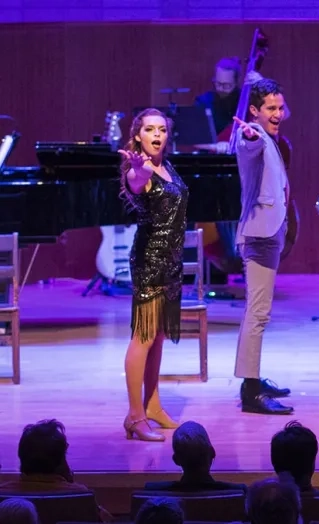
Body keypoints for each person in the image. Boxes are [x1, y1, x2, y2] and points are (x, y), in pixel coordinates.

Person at [118, 108, 189, 442]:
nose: (157, 134)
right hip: (150, 261)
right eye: (149, 129)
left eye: (161, 129)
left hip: (171, 263)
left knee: (157, 336)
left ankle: (153, 405)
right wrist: (138, 170)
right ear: (138, 135)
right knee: (143, 336)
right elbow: (136, 181)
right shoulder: (142, 170)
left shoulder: (167, 166)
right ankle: (135, 416)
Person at [232, 74, 294, 416]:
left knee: (259, 312)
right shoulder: (252, 136)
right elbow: (248, 143)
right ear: (254, 111)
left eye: (280, 107)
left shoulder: (272, 137)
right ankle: (251, 392)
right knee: (257, 313)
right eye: (270, 108)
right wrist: (250, 135)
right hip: (259, 236)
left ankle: (253, 380)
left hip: (269, 234)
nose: (278, 114)